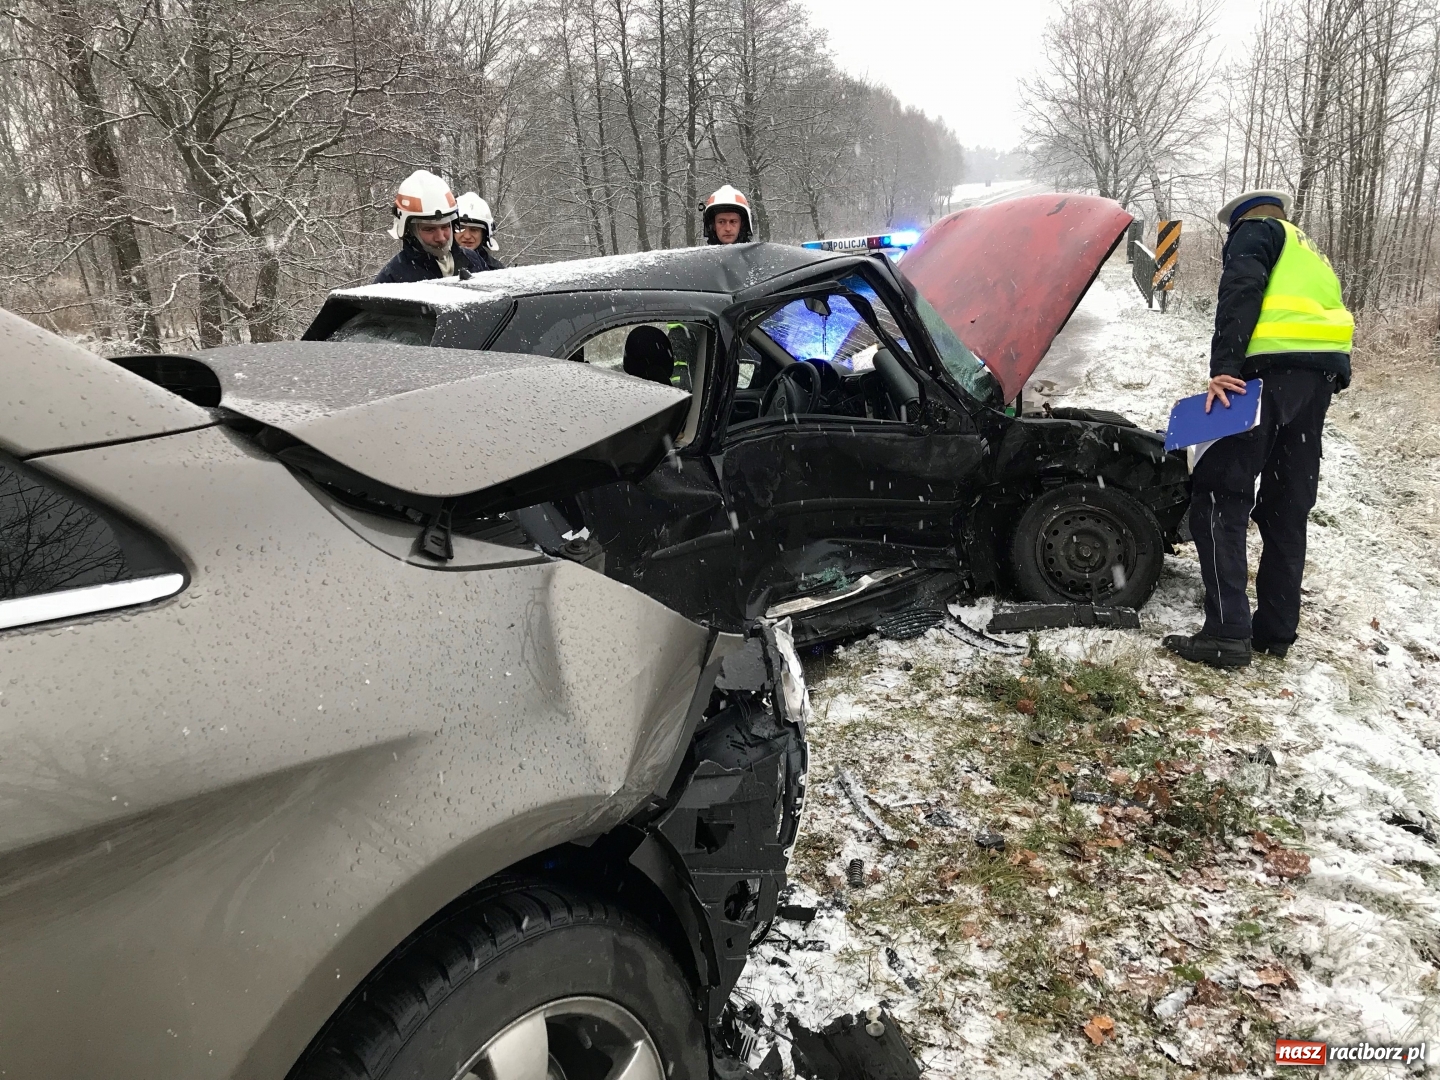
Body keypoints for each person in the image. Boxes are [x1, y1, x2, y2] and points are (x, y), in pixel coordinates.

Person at [1163, 189, 1354, 669]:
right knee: (1286, 506)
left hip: (1263, 381)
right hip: (1317, 385)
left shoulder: (1255, 232)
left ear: (1240, 221)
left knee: (1218, 495)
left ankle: (1227, 632)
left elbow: (1241, 291)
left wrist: (1224, 366)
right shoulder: (1311, 252)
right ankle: (1275, 631)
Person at [373, 170, 485, 284]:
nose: (441, 238)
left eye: (445, 226)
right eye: (429, 229)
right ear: (410, 231)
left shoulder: (472, 260)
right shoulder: (392, 279)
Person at [454, 192, 505, 271]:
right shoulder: (438, 267)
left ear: (484, 234)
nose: (467, 236)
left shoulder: (497, 271)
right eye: (460, 229)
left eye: (474, 229)